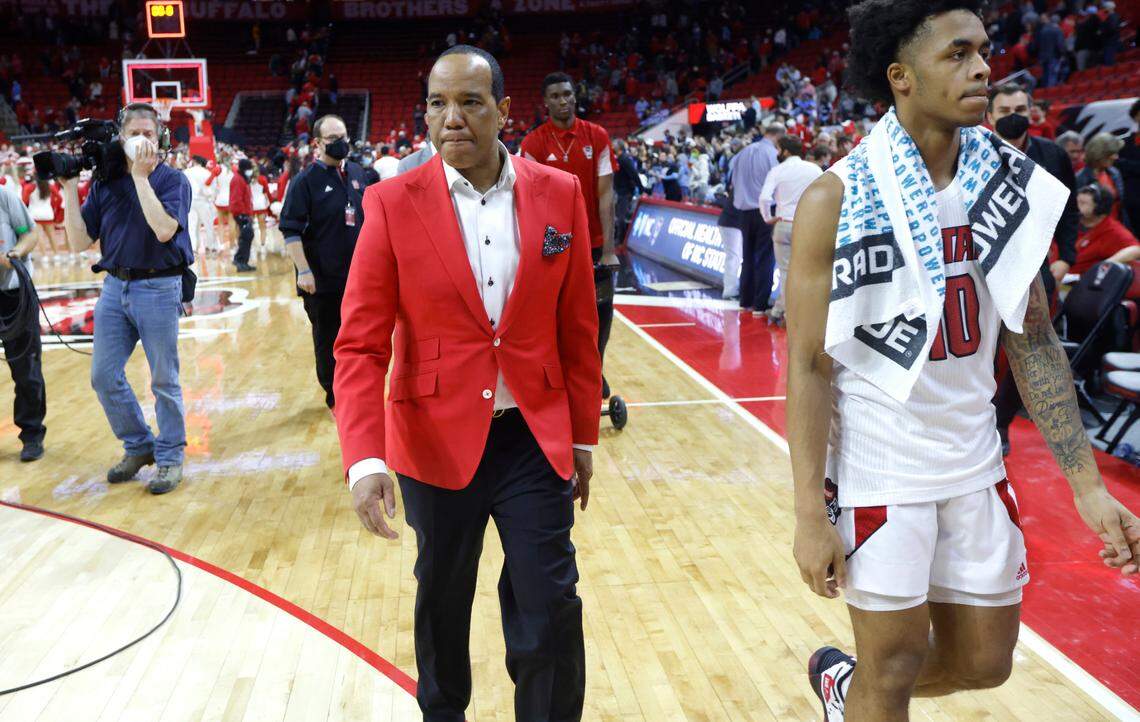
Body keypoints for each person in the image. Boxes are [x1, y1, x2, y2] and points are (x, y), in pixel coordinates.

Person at [785, 4, 1140, 721]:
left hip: (975, 459)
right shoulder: (835, 197)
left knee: (985, 663)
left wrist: (1087, 488)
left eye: (984, 50)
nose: (983, 68)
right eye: (958, 54)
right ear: (902, 77)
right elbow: (808, 364)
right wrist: (806, 515)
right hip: (880, 468)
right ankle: (863, 689)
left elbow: (1033, 339)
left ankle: (842, 688)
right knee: (893, 669)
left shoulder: (1005, 186)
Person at [334, 45, 601, 722]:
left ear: (505, 111)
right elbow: (361, 345)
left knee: (550, 604)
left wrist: (583, 437)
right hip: (431, 441)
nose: (450, 118)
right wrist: (364, 459)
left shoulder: (560, 194)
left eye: (470, 102)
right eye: (436, 103)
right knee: (442, 605)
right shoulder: (391, 203)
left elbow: (577, 329)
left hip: (532, 441)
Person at [61, 102, 194, 495]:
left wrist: (140, 177)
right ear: (120, 139)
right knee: (103, 376)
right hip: (115, 288)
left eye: (147, 135)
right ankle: (139, 446)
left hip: (159, 286)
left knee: (164, 380)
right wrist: (70, 188)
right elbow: (78, 241)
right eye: (132, 134)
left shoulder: (173, 181)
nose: (140, 141)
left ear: (161, 139)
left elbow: (165, 230)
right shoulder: (104, 184)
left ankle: (170, 457)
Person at [521, 71, 619, 396]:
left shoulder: (598, 136)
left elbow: (606, 195)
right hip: (552, 247)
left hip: (594, 245)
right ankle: (557, 371)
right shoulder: (533, 143)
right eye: (556, 96)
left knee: (602, 311)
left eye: (567, 94)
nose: (562, 100)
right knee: (554, 315)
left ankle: (596, 369)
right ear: (546, 102)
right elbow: (528, 201)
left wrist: (609, 249)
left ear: (575, 96)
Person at [278, 114, 368, 413]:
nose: (341, 143)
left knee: (360, 338)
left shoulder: (357, 172)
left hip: (358, 279)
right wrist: (303, 270)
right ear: (317, 144)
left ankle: (358, 391)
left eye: (343, 136)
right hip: (322, 280)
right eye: (333, 139)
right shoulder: (304, 182)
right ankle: (334, 395)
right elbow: (290, 230)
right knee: (328, 340)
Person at [0, 186, 45, 462]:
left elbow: (31, 233)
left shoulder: (4, 196)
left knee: (26, 368)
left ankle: (31, 434)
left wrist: (15, 254)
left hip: (14, 293)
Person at [758, 134, 820, 324]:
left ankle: (785, 313)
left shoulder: (778, 171)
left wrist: (768, 218)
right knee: (808, 271)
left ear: (785, 151)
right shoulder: (814, 169)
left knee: (785, 271)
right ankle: (804, 313)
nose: (776, 152)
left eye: (778, 149)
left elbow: (764, 198)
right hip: (808, 225)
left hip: (784, 224)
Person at [728, 122, 783, 315]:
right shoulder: (771, 155)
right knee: (765, 258)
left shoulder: (742, 153)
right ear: (777, 137)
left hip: (743, 212)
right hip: (764, 211)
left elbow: (732, 181)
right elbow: (776, 185)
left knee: (747, 256)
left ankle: (745, 299)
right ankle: (760, 304)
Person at [1071, 183, 1140, 274]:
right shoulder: (1072, 223)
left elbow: (1136, 250)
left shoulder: (1112, 230)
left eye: (1082, 203)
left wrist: (1104, 265)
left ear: (1099, 208)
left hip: (1079, 283)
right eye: (1077, 202)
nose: (1076, 206)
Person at [1077, 132, 1131, 232]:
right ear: (1099, 154)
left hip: (1115, 230)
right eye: (1111, 153)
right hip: (1093, 234)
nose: (1116, 157)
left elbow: (1121, 207)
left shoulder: (1115, 174)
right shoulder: (1080, 179)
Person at [183, 155, 218, 256]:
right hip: (204, 201)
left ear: (194, 161)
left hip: (191, 201)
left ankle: (193, 248)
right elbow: (213, 190)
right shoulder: (207, 173)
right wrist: (211, 199)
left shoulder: (187, 172)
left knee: (192, 226)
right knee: (208, 225)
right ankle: (211, 247)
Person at [229, 157, 256, 272]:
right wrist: (242, 214)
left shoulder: (242, 178)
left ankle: (243, 261)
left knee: (247, 236)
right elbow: (236, 199)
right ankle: (239, 260)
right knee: (246, 236)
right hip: (241, 213)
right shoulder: (237, 179)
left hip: (244, 213)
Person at [612, 139, 639, 243]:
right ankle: (618, 237)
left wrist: (641, 188)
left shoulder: (624, 159)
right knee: (618, 216)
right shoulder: (619, 158)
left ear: (619, 147)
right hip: (619, 192)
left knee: (622, 217)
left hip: (625, 192)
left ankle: (621, 239)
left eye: (614, 144)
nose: (612, 146)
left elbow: (634, 174)